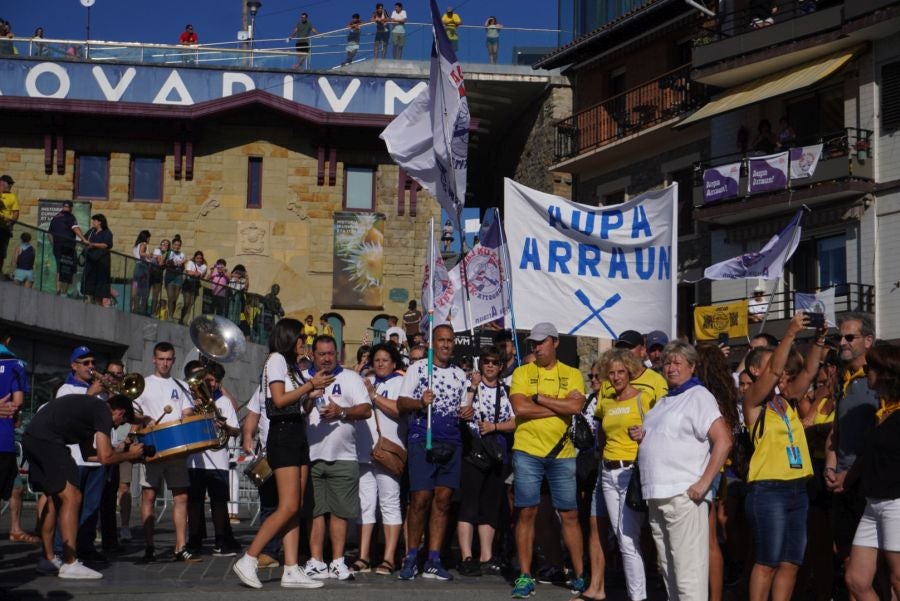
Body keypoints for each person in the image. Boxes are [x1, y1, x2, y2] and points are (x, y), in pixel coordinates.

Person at [233, 319, 334, 589]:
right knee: (287, 505)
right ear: (289, 337)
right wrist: (309, 385)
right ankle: (249, 557)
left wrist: (313, 391)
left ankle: (291, 567)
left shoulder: (292, 367)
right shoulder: (276, 359)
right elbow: (278, 400)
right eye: (301, 336)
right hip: (283, 434)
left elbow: (302, 406)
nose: (305, 341)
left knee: (296, 506)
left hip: (297, 432)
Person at [629, 341, 733, 601]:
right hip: (658, 494)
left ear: (692, 366)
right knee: (669, 571)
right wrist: (644, 435)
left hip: (683, 495)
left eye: (677, 362)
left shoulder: (699, 396)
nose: (671, 367)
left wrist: (704, 482)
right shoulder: (665, 400)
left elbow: (724, 439)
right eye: (667, 362)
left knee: (688, 575)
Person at [24, 394, 144, 579]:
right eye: (122, 422)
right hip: (49, 441)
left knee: (54, 498)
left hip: (33, 439)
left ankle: (48, 559)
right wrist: (130, 456)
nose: (117, 426)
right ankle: (71, 563)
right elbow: (106, 458)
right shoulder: (103, 411)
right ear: (120, 412)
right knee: (73, 496)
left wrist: (121, 452)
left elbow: (90, 455)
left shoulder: (89, 411)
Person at [509, 322, 587, 599]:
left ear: (555, 342)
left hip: (562, 454)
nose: (536, 347)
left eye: (542, 342)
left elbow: (576, 407)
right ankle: (525, 576)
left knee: (570, 514)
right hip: (527, 451)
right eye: (533, 342)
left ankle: (579, 575)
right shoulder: (522, 372)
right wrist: (559, 408)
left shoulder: (572, 373)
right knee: (527, 512)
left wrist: (539, 399)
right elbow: (519, 407)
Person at [396, 323, 472, 581]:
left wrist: (467, 412)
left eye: (450, 340)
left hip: (452, 440)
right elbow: (401, 402)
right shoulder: (418, 368)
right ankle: (411, 556)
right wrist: (420, 402)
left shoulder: (460, 375)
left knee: (443, 501)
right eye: (441, 340)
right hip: (423, 438)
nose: (446, 344)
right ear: (432, 343)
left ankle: (433, 558)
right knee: (420, 499)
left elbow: (464, 408)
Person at [301, 335, 372, 581]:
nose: (327, 358)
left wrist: (341, 411)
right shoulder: (302, 378)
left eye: (331, 353)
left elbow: (365, 409)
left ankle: (338, 561)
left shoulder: (350, 378)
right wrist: (309, 394)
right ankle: (316, 560)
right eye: (322, 354)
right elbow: (293, 410)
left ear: (337, 353)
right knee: (315, 511)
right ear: (312, 354)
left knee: (340, 512)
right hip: (310, 455)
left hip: (344, 456)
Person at [588, 349, 652, 601]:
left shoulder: (643, 399)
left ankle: (639, 596)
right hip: (608, 473)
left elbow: (657, 431)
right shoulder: (606, 401)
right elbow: (602, 434)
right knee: (622, 536)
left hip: (631, 471)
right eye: (611, 373)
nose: (615, 377)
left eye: (620, 372)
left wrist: (644, 434)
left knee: (628, 538)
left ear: (630, 372)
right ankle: (637, 595)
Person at [824, 313, 880, 587]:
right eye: (840, 338)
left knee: (878, 567)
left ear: (868, 340)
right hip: (842, 484)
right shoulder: (844, 379)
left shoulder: (879, 380)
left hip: (869, 484)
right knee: (845, 557)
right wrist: (830, 466)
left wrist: (851, 475)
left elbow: (877, 438)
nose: (842, 343)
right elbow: (836, 432)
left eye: (849, 337)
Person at [844, 344, 900, 601]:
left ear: (886, 372)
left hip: (895, 503)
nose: (866, 373)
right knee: (856, 579)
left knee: (897, 578)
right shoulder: (883, 411)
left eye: (870, 368)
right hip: (872, 502)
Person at [133, 342, 198, 563]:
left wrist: (191, 414)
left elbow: (187, 412)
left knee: (181, 496)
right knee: (149, 495)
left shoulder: (181, 385)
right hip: (153, 445)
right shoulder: (143, 384)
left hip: (177, 447)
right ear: (153, 359)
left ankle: (181, 547)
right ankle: (149, 545)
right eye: (161, 359)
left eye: (169, 359)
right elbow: (134, 413)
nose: (164, 363)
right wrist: (142, 419)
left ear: (173, 360)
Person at [457, 346, 516, 577]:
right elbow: (463, 411)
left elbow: (515, 421)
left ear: (501, 366)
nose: (490, 365)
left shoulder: (506, 390)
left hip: (497, 453)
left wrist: (494, 427)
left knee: (490, 506)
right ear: (480, 364)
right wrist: (472, 386)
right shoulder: (471, 386)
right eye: (486, 361)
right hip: (473, 451)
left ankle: (486, 556)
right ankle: (466, 556)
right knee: (469, 504)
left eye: (494, 362)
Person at [354, 343, 405, 576]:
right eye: (377, 360)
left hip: (389, 451)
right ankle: (363, 555)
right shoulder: (365, 381)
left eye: (385, 359)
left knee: (389, 503)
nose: (381, 363)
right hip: (365, 451)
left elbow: (399, 409)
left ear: (394, 362)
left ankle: (389, 557)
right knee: (365, 505)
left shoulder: (401, 381)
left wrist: (374, 396)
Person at [54, 346, 109, 563]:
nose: (91, 367)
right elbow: (68, 419)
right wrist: (90, 394)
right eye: (85, 363)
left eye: (92, 362)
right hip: (75, 457)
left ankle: (85, 547)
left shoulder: (100, 391)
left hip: (96, 458)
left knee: (91, 509)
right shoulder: (65, 390)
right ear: (74, 366)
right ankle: (62, 549)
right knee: (70, 506)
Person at [185, 361, 241, 556]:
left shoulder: (224, 402)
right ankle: (193, 541)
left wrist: (224, 427)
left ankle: (220, 540)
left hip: (219, 459)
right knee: (195, 501)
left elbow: (235, 430)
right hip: (196, 458)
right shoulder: (191, 401)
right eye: (210, 380)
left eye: (217, 381)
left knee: (219, 502)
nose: (214, 384)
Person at [240, 386, 280, 569]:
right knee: (269, 504)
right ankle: (269, 550)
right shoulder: (262, 388)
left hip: (293, 451)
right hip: (268, 454)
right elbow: (253, 414)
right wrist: (248, 435)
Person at [0, 328, 34, 544]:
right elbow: (18, 401)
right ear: (8, 339)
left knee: (17, 487)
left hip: (5, 441)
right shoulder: (15, 365)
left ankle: (15, 528)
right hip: (3, 441)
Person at [47, 201, 87, 296]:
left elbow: (49, 234)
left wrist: (54, 244)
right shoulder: (70, 217)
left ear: (63, 207)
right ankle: (64, 293)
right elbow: (75, 228)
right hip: (68, 247)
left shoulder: (56, 217)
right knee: (69, 269)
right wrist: (84, 239)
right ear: (71, 208)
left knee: (59, 268)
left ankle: (58, 289)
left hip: (57, 247)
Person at [82, 214, 113, 305]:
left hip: (101, 263)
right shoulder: (91, 231)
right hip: (90, 261)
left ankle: (98, 303)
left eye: (94, 220)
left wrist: (93, 244)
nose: (93, 222)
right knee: (89, 285)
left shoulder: (107, 232)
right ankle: (89, 301)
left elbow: (106, 245)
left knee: (100, 287)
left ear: (99, 222)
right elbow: (85, 239)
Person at [180, 250, 207, 324]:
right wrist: (196, 273)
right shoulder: (190, 263)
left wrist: (194, 273)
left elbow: (200, 275)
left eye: (200, 258)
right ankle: (181, 318)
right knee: (186, 303)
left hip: (195, 285)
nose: (199, 260)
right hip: (188, 283)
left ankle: (185, 320)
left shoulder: (204, 266)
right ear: (195, 258)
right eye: (197, 258)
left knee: (191, 304)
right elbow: (189, 272)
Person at [0, 174, 19, 276]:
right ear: (2, 182)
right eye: (9, 183)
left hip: (4, 228)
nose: (11, 185)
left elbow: (16, 213)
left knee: (2, 253)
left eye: (11, 184)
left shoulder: (12, 197)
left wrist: (10, 223)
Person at [164, 236, 186, 320]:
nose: (177, 246)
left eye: (178, 245)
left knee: (175, 299)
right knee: (170, 297)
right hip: (170, 275)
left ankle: (171, 315)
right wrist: (171, 263)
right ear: (172, 245)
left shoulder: (182, 254)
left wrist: (182, 264)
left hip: (178, 277)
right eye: (175, 245)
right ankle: (170, 316)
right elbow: (165, 263)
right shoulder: (169, 253)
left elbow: (183, 267)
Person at [149, 239, 169, 317]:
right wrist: (162, 256)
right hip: (151, 273)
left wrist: (165, 254)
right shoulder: (157, 250)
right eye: (163, 243)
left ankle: (153, 312)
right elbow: (160, 262)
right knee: (147, 292)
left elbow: (161, 263)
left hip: (159, 275)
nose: (165, 245)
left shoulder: (167, 254)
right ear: (160, 245)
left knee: (155, 295)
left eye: (167, 244)